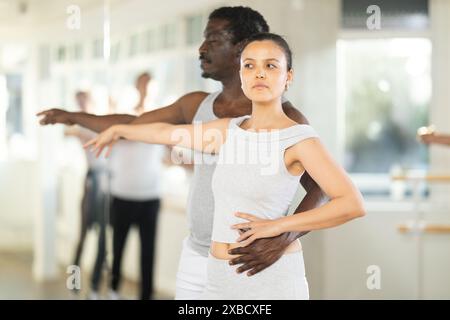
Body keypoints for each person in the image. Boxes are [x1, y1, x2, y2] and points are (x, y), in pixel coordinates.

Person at [37, 6, 325, 299]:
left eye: (213, 39)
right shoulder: (195, 105)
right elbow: (135, 125)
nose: (201, 49)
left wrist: (281, 239)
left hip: (248, 262)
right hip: (196, 256)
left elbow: (323, 190)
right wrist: (74, 116)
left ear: (241, 47)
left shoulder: (288, 120)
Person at [84, 32, 366, 299]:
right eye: (249, 65)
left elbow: (351, 203)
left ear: (288, 77)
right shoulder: (227, 131)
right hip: (219, 280)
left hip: (271, 280)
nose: (259, 73)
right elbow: (163, 132)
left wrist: (280, 225)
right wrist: (120, 129)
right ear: (241, 76)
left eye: (271, 66)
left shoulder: (298, 138)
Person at [107, 72, 164, 300]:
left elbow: (171, 151)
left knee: (148, 253)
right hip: (123, 194)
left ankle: (146, 295)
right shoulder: (124, 118)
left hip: (151, 195)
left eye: (151, 84)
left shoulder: (163, 119)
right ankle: (113, 291)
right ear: (137, 86)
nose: (147, 88)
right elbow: (118, 137)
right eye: (144, 83)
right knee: (117, 248)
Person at [65, 91, 108, 299]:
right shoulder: (82, 126)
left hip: (105, 182)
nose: (80, 105)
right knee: (82, 236)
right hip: (92, 181)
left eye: (83, 101)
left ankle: (94, 287)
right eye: (78, 102)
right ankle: (73, 283)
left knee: (102, 240)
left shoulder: (102, 122)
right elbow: (71, 131)